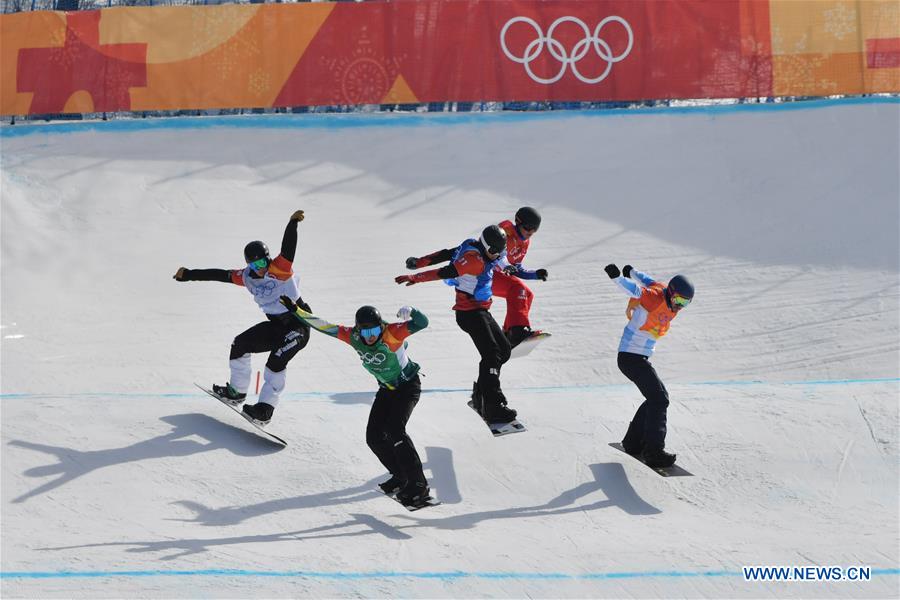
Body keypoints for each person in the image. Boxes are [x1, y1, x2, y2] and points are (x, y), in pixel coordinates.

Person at [278, 296, 431, 507]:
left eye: (374, 331)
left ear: (381, 327)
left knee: (395, 430)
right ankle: (400, 476)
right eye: (365, 332)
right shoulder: (353, 336)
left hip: (407, 387)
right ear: (358, 330)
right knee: (374, 437)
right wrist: (297, 310)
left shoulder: (393, 333)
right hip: (387, 390)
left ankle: (419, 486)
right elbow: (324, 326)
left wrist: (412, 310)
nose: (370, 337)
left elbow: (422, 323)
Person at [173, 210, 311, 425]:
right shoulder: (246, 277)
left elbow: (289, 248)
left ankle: (264, 410)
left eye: (264, 263)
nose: (261, 269)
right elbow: (219, 275)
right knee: (240, 344)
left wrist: (292, 223)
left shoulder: (280, 268)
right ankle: (236, 392)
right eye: (255, 266)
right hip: (275, 325)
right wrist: (189, 274)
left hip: (298, 325)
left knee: (276, 360)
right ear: (249, 265)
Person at [397, 225, 517, 424]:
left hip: (481, 310)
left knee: (504, 350)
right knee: (492, 354)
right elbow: (444, 271)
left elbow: (445, 253)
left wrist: (419, 262)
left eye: (499, 252)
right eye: (493, 252)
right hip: (469, 313)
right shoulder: (473, 260)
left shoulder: (480, 247)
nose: (496, 256)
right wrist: (415, 277)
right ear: (485, 245)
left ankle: (481, 395)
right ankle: (493, 405)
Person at [604, 263, 694, 468]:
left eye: (685, 303)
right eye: (679, 300)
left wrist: (633, 271)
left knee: (656, 398)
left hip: (639, 358)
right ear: (671, 294)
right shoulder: (653, 298)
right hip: (630, 357)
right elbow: (636, 289)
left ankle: (632, 442)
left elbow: (648, 280)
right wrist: (618, 278)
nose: (680, 306)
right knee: (660, 399)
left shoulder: (666, 294)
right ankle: (654, 451)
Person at [492, 206, 549, 348]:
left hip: (496, 275)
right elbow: (500, 255)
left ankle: (507, 336)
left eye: (535, 229)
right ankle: (517, 332)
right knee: (517, 288)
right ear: (518, 222)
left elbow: (517, 269)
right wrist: (505, 266)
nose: (531, 232)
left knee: (527, 294)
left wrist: (535, 274)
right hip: (482, 273)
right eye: (528, 227)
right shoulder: (506, 230)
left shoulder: (524, 242)